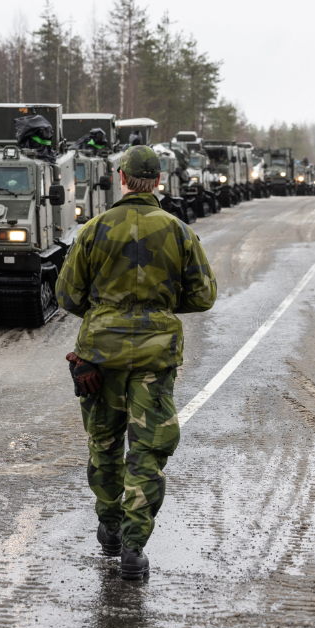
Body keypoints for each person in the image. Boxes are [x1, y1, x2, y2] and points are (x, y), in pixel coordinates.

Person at [55, 145, 217, 580]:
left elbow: (67, 296)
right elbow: (203, 296)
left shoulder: (94, 229)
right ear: (159, 182)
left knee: (104, 443)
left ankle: (108, 527)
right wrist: (158, 307)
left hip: (98, 357)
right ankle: (133, 547)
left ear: (122, 179)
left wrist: (105, 311)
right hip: (154, 356)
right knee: (146, 449)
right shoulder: (179, 231)